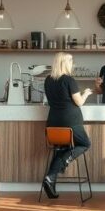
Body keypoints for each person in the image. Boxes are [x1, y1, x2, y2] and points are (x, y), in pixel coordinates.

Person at [41, 52, 93, 199]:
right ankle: (64, 162)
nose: (73, 64)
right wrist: (86, 93)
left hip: (52, 124)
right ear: (65, 63)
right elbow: (79, 102)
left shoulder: (48, 80)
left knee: (62, 148)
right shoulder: (69, 80)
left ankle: (50, 179)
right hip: (70, 123)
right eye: (71, 62)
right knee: (85, 144)